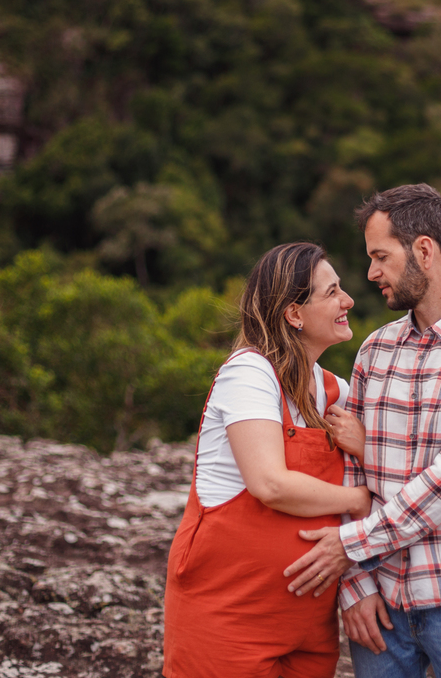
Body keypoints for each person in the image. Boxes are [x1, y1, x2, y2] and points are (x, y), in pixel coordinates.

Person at [286, 184, 441, 678]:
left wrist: (350, 546)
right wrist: (355, 586)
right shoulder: (374, 350)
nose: (371, 273)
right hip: (380, 602)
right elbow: (346, 470)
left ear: (424, 250)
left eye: (381, 257)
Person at [163, 242, 371, 678]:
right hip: (229, 617)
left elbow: (393, 470)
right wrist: (357, 500)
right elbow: (269, 484)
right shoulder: (249, 373)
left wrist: (365, 448)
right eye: (332, 292)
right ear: (294, 314)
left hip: (310, 627)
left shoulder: (336, 391)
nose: (348, 300)